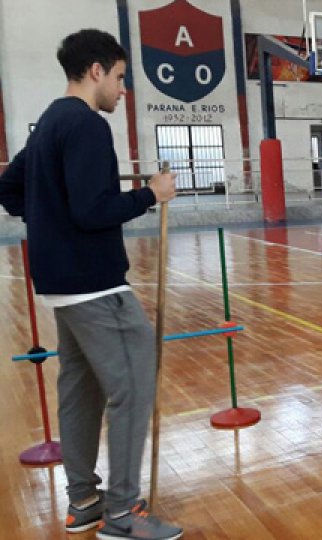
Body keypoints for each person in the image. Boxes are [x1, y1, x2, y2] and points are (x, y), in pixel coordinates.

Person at [0, 29, 182, 540]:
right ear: (96, 70)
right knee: (132, 387)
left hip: (62, 284)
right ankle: (122, 515)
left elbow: (10, 189)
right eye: (120, 77)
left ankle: (83, 501)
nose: (122, 91)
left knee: (81, 393)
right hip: (95, 286)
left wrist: (47, 219)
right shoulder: (85, 125)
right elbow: (93, 210)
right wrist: (151, 193)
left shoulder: (49, 122)